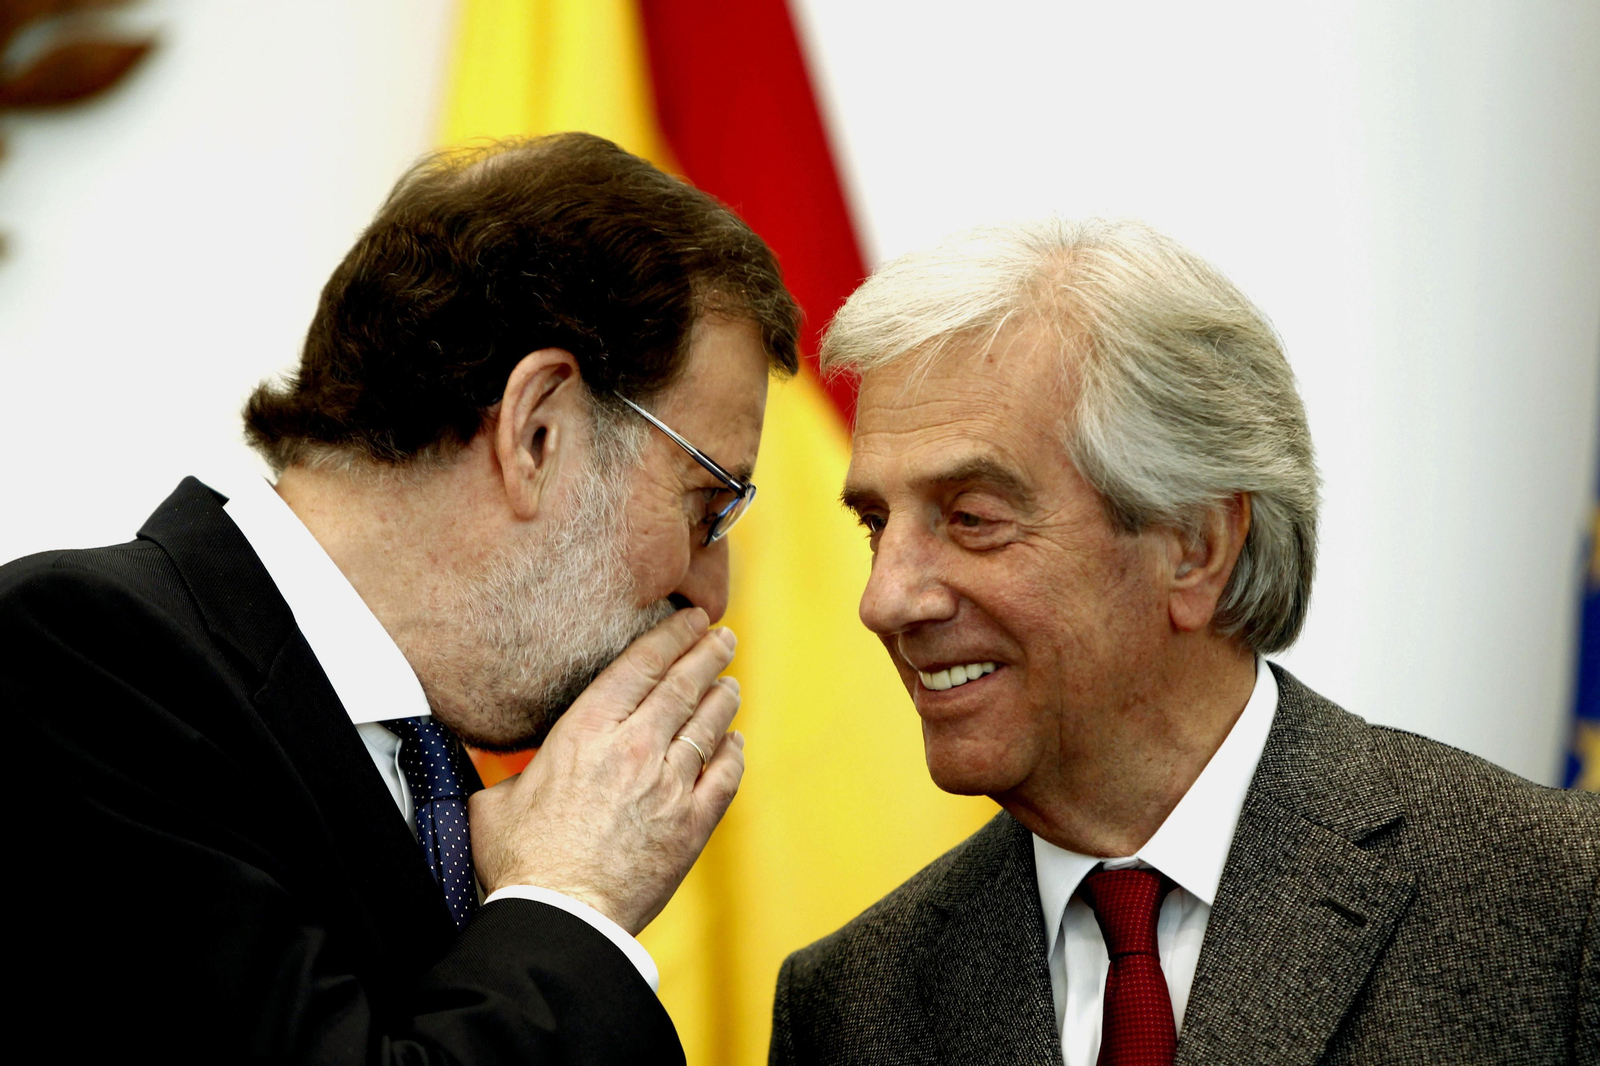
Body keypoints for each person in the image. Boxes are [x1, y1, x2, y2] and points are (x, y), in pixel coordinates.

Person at [5, 132, 800, 1064]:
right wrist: (571, 901)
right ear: (536, 430)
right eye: (707, 505)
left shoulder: (453, 791)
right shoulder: (76, 661)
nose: (710, 597)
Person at [769, 219, 1599, 1065]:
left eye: (972, 518)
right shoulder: (846, 1007)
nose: (885, 599)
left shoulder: (1560, 902)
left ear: (1195, 547)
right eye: (876, 523)